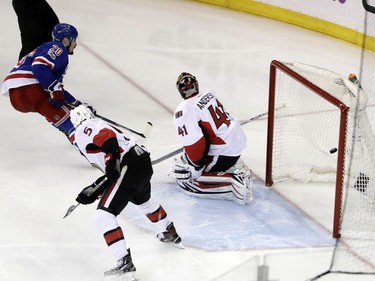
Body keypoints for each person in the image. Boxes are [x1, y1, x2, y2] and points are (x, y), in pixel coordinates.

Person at [70, 105, 183, 280]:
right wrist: (101, 185)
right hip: (141, 163)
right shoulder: (98, 122)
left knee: (103, 215)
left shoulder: (84, 128)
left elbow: (107, 141)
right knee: (143, 201)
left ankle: (124, 263)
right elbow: (111, 160)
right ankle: (169, 232)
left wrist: (112, 163)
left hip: (128, 166)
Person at [169, 72, 253, 205]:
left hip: (225, 151)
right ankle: (233, 166)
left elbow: (195, 147)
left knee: (193, 178)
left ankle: (235, 181)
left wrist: (195, 167)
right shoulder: (208, 93)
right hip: (237, 140)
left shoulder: (184, 110)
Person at [1, 23, 92, 143]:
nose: (75, 44)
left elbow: (56, 88)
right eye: (74, 40)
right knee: (73, 122)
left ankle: (66, 128)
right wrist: (56, 90)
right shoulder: (58, 48)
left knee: (55, 111)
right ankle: (98, 150)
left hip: (16, 95)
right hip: (29, 88)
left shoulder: (47, 52)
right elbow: (39, 66)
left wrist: (76, 103)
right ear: (66, 41)